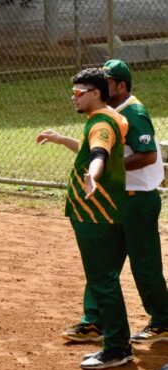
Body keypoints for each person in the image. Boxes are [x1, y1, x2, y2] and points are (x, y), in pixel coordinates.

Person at [61, 60, 168, 345]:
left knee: (144, 265)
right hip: (119, 200)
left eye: (106, 82)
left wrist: (109, 169)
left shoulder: (133, 111)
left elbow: (147, 155)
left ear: (120, 86)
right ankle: (94, 321)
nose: (100, 87)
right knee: (103, 264)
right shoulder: (108, 114)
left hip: (138, 200)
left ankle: (162, 321)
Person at [35, 67, 132, 370]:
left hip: (94, 215)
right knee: (105, 280)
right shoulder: (111, 117)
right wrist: (62, 139)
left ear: (96, 93)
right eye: (72, 91)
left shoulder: (101, 123)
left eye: (79, 92)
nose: (73, 97)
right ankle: (118, 343)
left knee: (102, 281)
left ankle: (116, 348)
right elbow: (93, 148)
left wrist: (93, 174)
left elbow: (99, 153)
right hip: (108, 213)